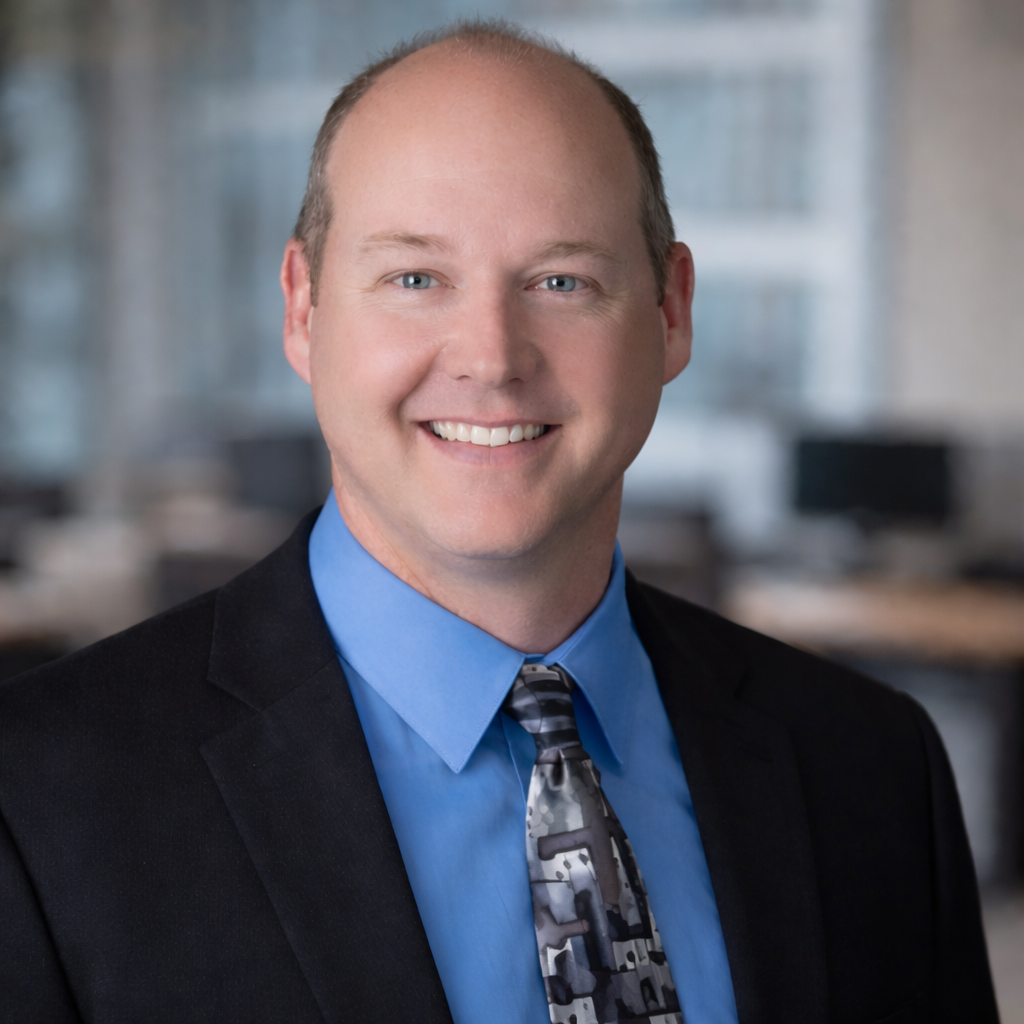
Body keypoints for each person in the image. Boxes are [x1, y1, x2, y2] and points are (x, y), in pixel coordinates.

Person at [0, 20, 997, 1024]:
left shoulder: (872, 768)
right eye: (415, 278)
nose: (490, 355)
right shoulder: (38, 799)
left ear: (670, 312)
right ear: (303, 310)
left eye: (562, 280)